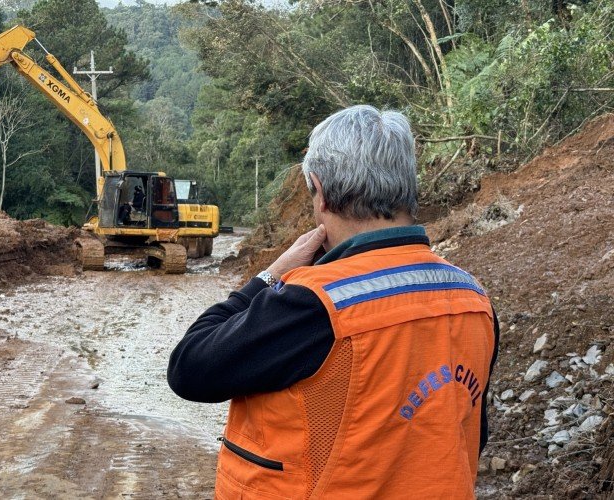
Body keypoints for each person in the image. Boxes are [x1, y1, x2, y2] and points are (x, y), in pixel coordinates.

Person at [167, 105, 499, 499]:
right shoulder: (474, 299)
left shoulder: (316, 304)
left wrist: (267, 278)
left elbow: (189, 367)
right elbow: (464, 429)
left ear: (320, 191)